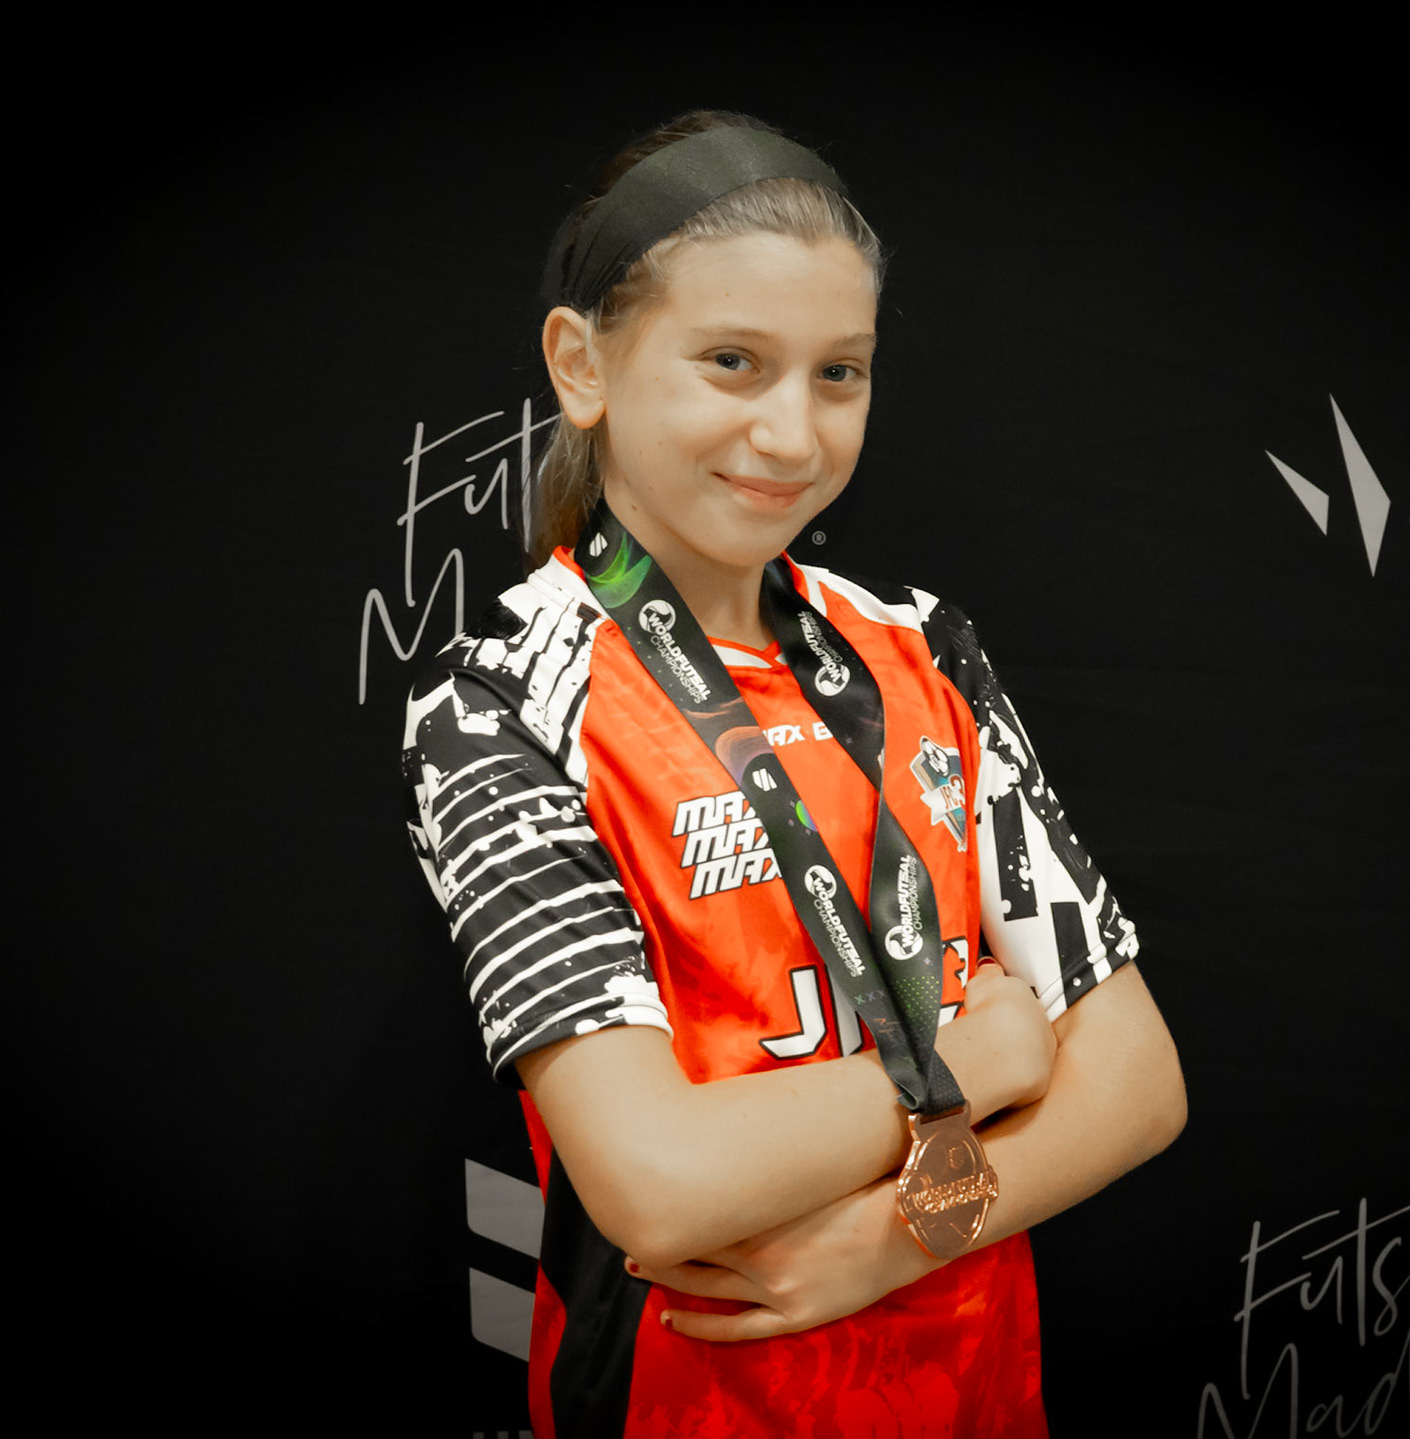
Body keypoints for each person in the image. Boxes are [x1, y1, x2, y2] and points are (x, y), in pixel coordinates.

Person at [403, 111, 1186, 1438]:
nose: (790, 433)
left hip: (980, 1391)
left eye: (839, 374)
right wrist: (965, 1057)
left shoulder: (922, 648)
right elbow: (658, 1183)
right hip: (689, 1399)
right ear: (582, 364)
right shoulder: (497, 704)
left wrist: (901, 1241)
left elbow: (1139, 1081)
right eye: (732, 362)